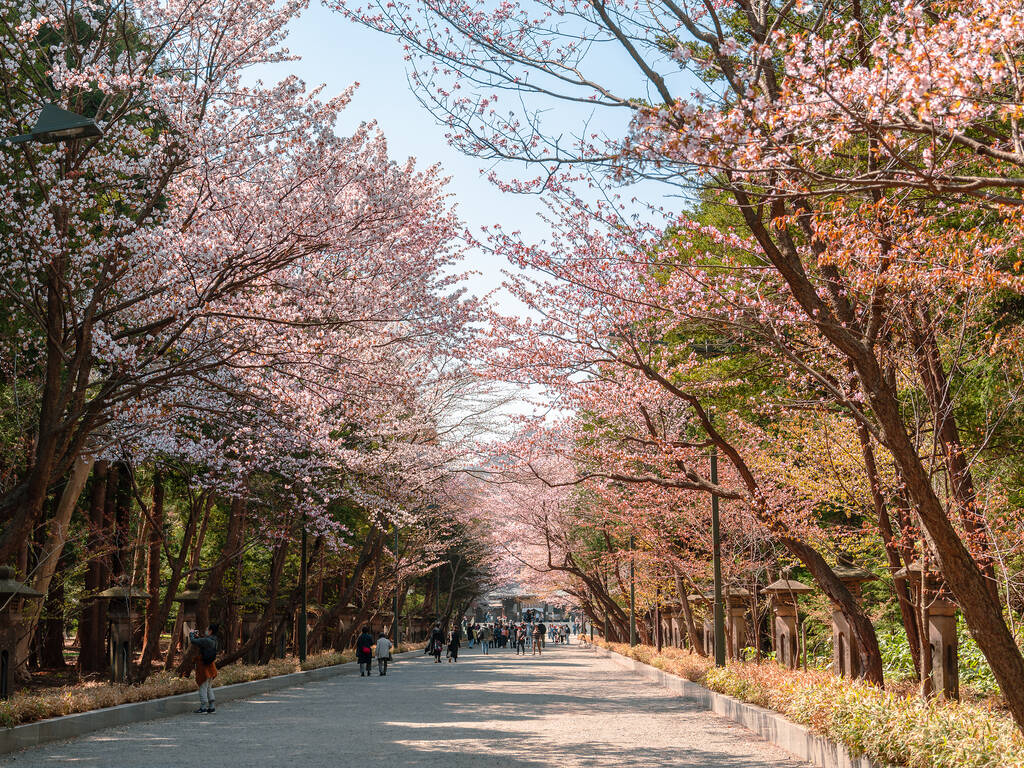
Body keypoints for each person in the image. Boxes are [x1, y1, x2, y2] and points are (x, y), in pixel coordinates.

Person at [188, 623, 219, 714]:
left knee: (202, 686)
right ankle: (212, 707)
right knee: (209, 687)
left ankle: (203, 707)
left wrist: (191, 633)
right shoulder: (214, 640)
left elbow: (193, 641)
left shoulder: (207, 640)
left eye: (207, 629)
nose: (205, 630)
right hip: (211, 666)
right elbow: (203, 642)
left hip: (204, 666)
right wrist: (198, 637)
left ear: (210, 631)